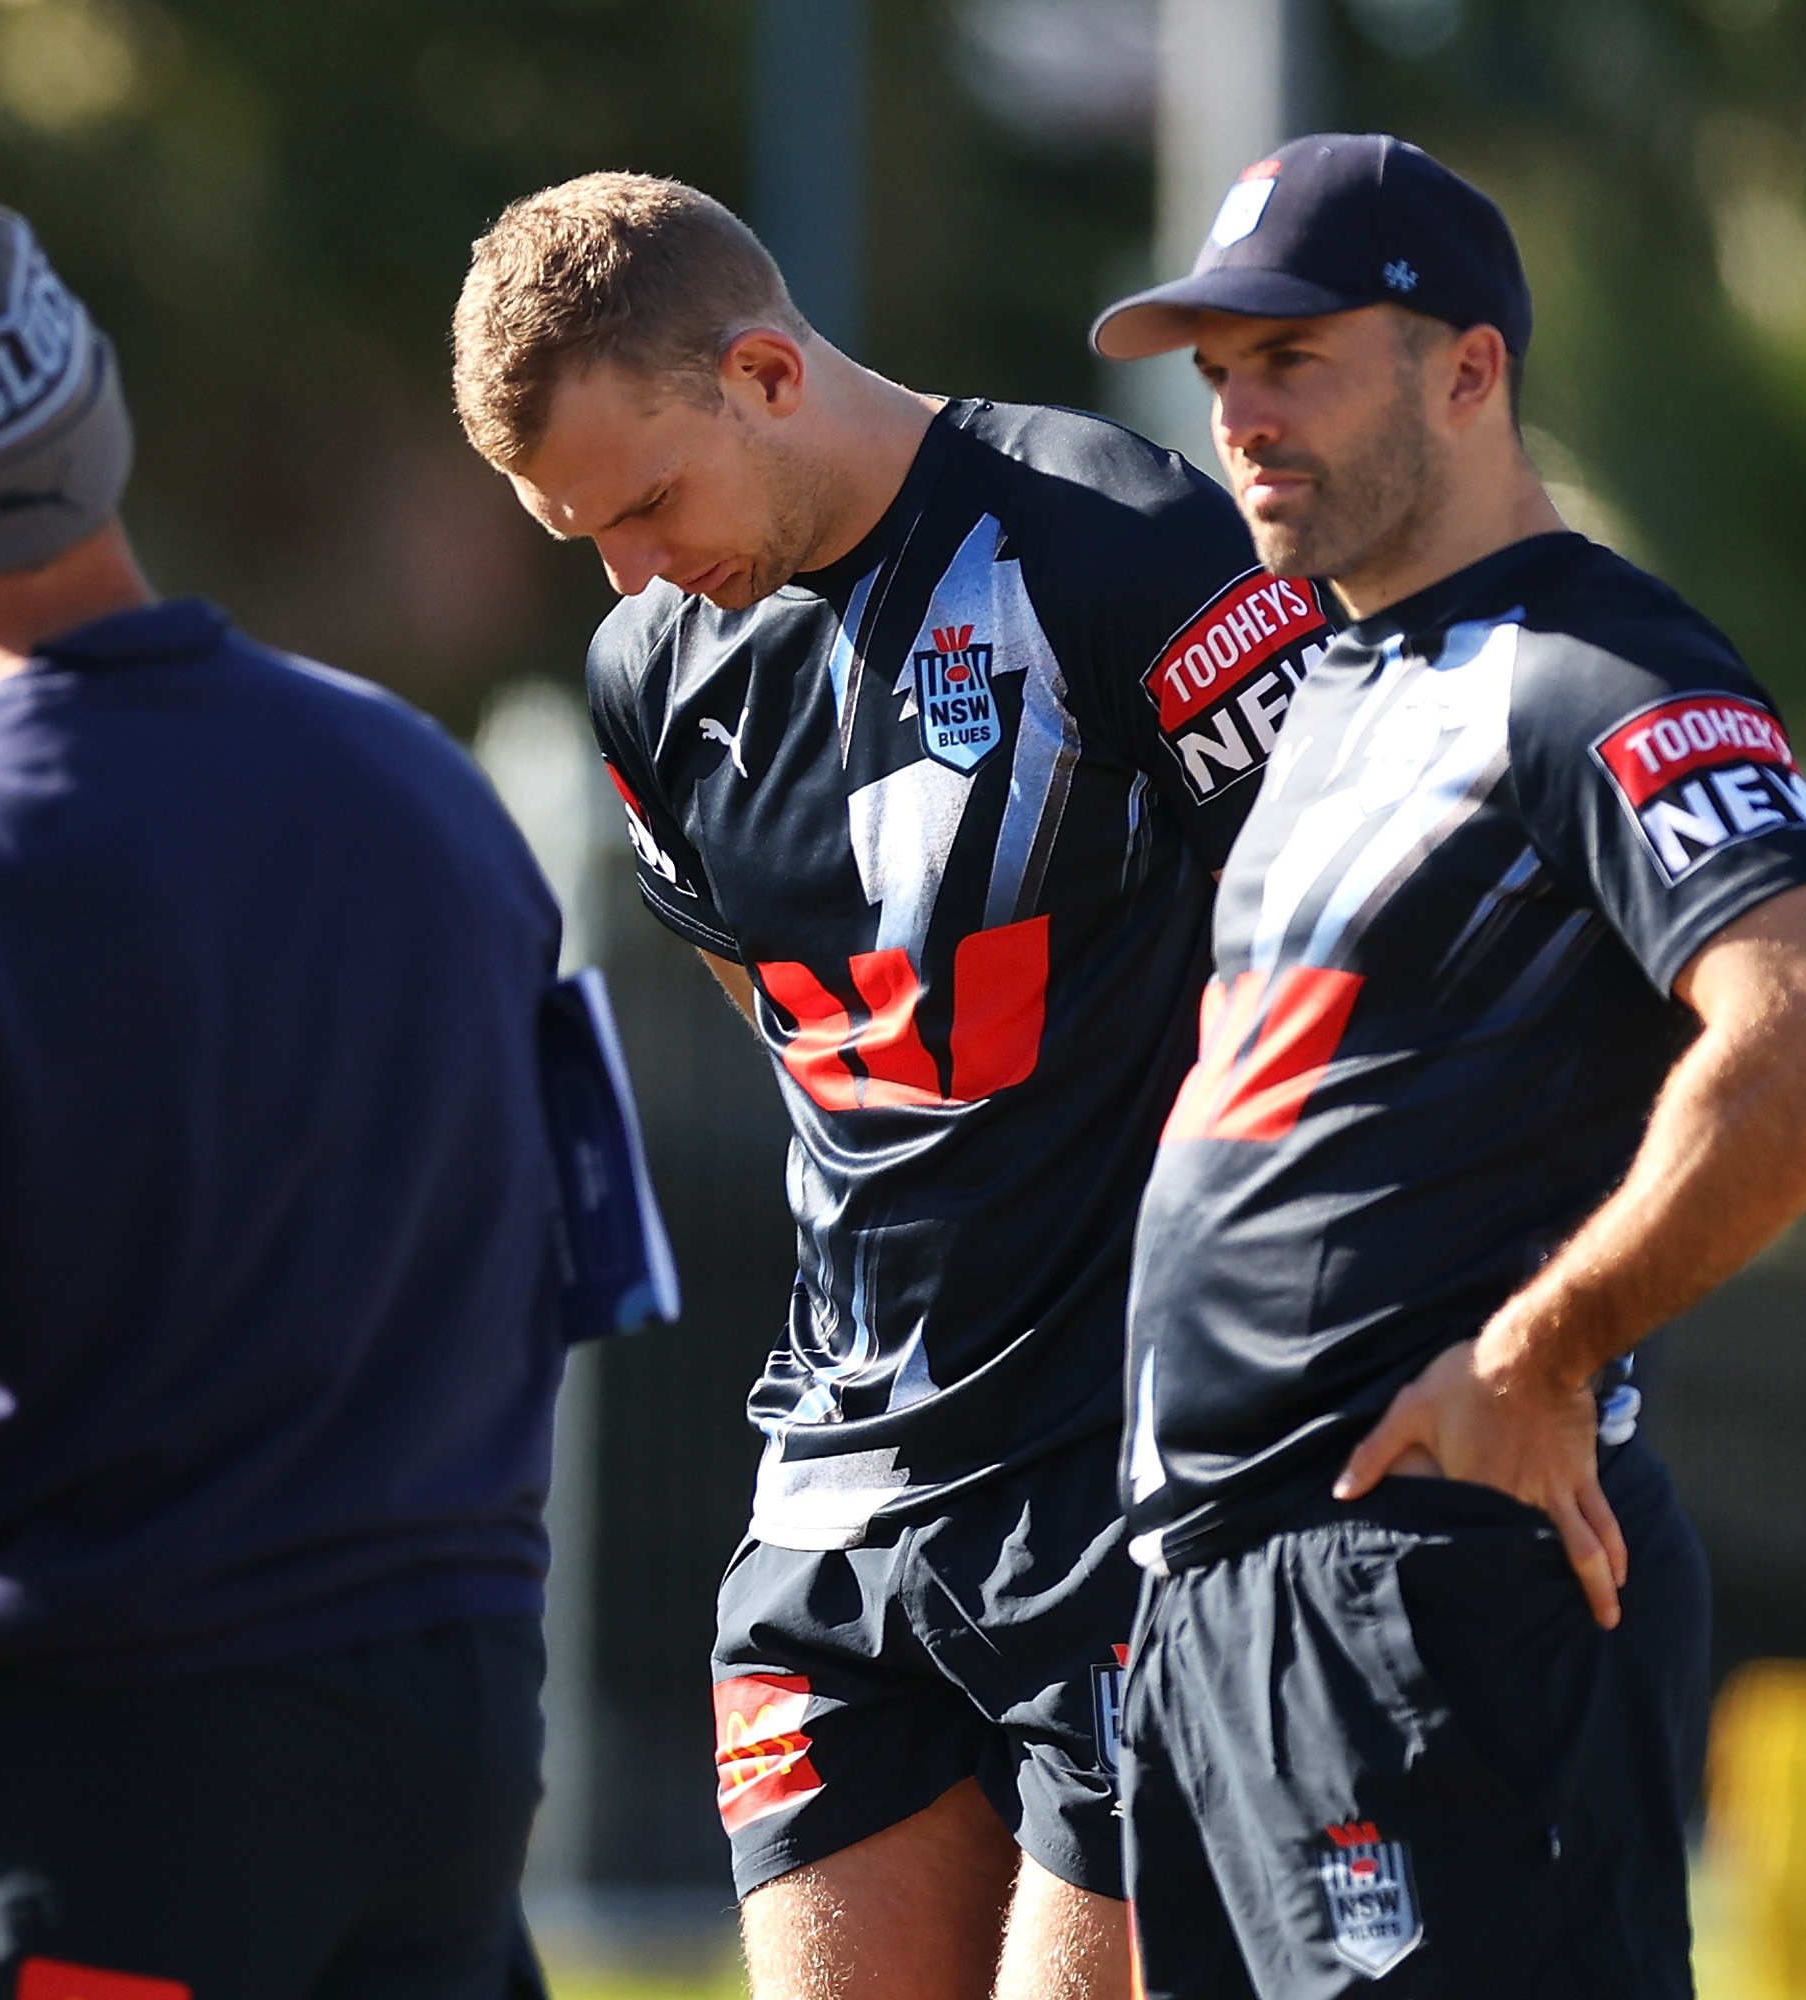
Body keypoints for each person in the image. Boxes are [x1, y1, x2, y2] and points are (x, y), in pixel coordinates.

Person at [0, 127, 572, 2000]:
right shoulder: (430, 790)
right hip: (448, 1727)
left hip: (94, 1751)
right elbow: (568, 1254)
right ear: (97, 428)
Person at [452, 175, 1331, 2000]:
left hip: (1136, 1492)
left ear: (765, 371)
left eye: (644, 505)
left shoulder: (1118, 546)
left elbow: (1368, 956)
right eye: (578, 538)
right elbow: (809, 1043)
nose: (626, 575)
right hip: (837, 1505)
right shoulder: (646, 678)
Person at [1088, 132, 1806, 1995]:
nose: (1238, 414)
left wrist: (1544, 1351)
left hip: (1434, 1605)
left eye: (1291, 357)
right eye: (1215, 372)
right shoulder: (1346, 691)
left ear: (1472, 370)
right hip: (1226, 1611)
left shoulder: (1588, 664)